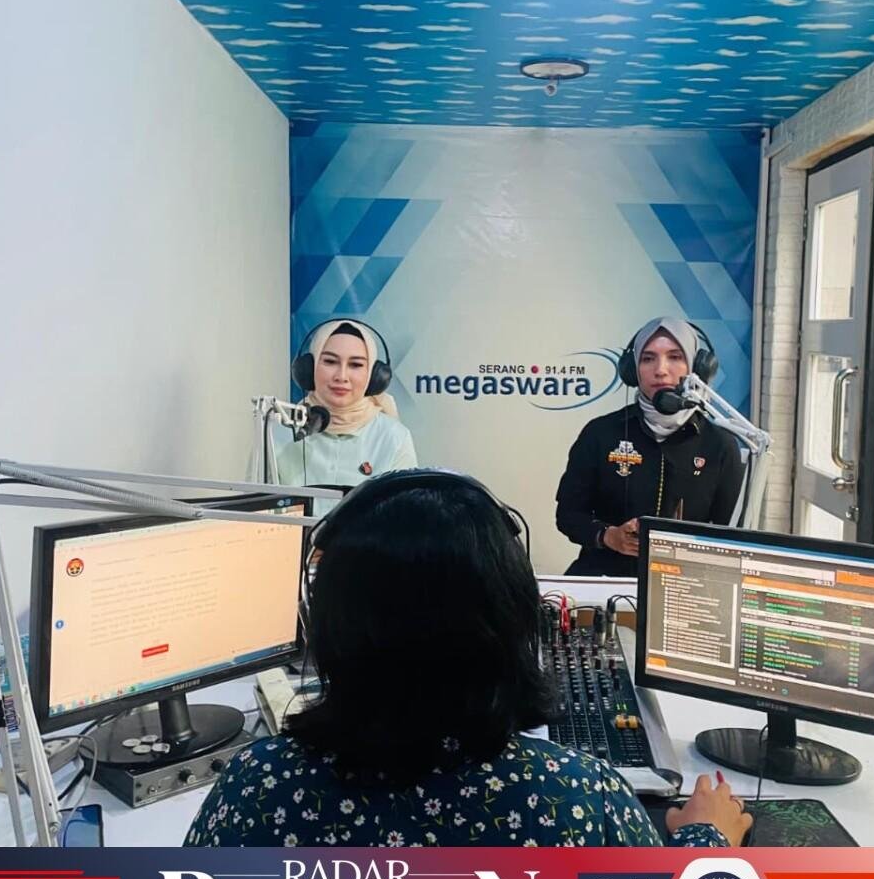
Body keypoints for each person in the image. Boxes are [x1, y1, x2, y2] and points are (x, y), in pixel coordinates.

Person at [185, 470, 750, 848]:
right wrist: (706, 839)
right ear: (512, 620)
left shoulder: (258, 789)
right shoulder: (577, 799)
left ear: (328, 621)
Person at [555, 317, 745, 577]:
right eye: (648, 359)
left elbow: (732, 537)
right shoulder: (600, 433)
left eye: (675, 357)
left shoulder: (719, 445)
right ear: (632, 370)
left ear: (697, 368)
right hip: (604, 579)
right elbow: (568, 515)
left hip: (683, 584)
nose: (660, 370)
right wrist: (609, 536)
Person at [276, 319, 417, 489]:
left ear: (373, 376)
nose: (341, 376)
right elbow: (255, 502)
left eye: (355, 365)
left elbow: (406, 504)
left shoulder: (394, 437)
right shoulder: (279, 432)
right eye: (330, 361)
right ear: (309, 368)